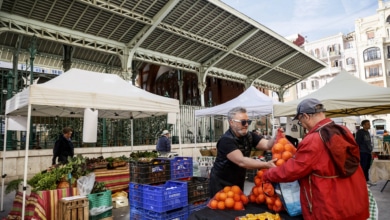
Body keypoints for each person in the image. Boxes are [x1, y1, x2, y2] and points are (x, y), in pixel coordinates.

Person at [263, 98, 369, 220]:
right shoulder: (343, 130)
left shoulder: (313, 139)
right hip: (353, 200)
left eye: (300, 121)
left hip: (329, 205)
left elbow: (294, 169)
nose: (301, 124)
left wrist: (269, 174)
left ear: (306, 116)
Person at [209, 107, 276, 197]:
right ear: (231, 122)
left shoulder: (250, 136)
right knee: (223, 208)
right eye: (243, 122)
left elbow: (267, 145)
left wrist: (276, 137)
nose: (246, 125)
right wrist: (266, 164)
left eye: (248, 122)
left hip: (237, 181)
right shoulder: (226, 141)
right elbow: (241, 161)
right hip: (221, 184)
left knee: (239, 207)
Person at [355, 120, 375, 186]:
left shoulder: (367, 132)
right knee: (363, 167)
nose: (369, 125)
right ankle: (362, 182)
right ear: (363, 125)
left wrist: (371, 150)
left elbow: (368, 143)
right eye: (367, 124)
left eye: (369, 124)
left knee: (367, 167)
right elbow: (357, 142)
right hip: (362, 152)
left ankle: (366, 180)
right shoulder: (360, 132)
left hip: (368, 152)